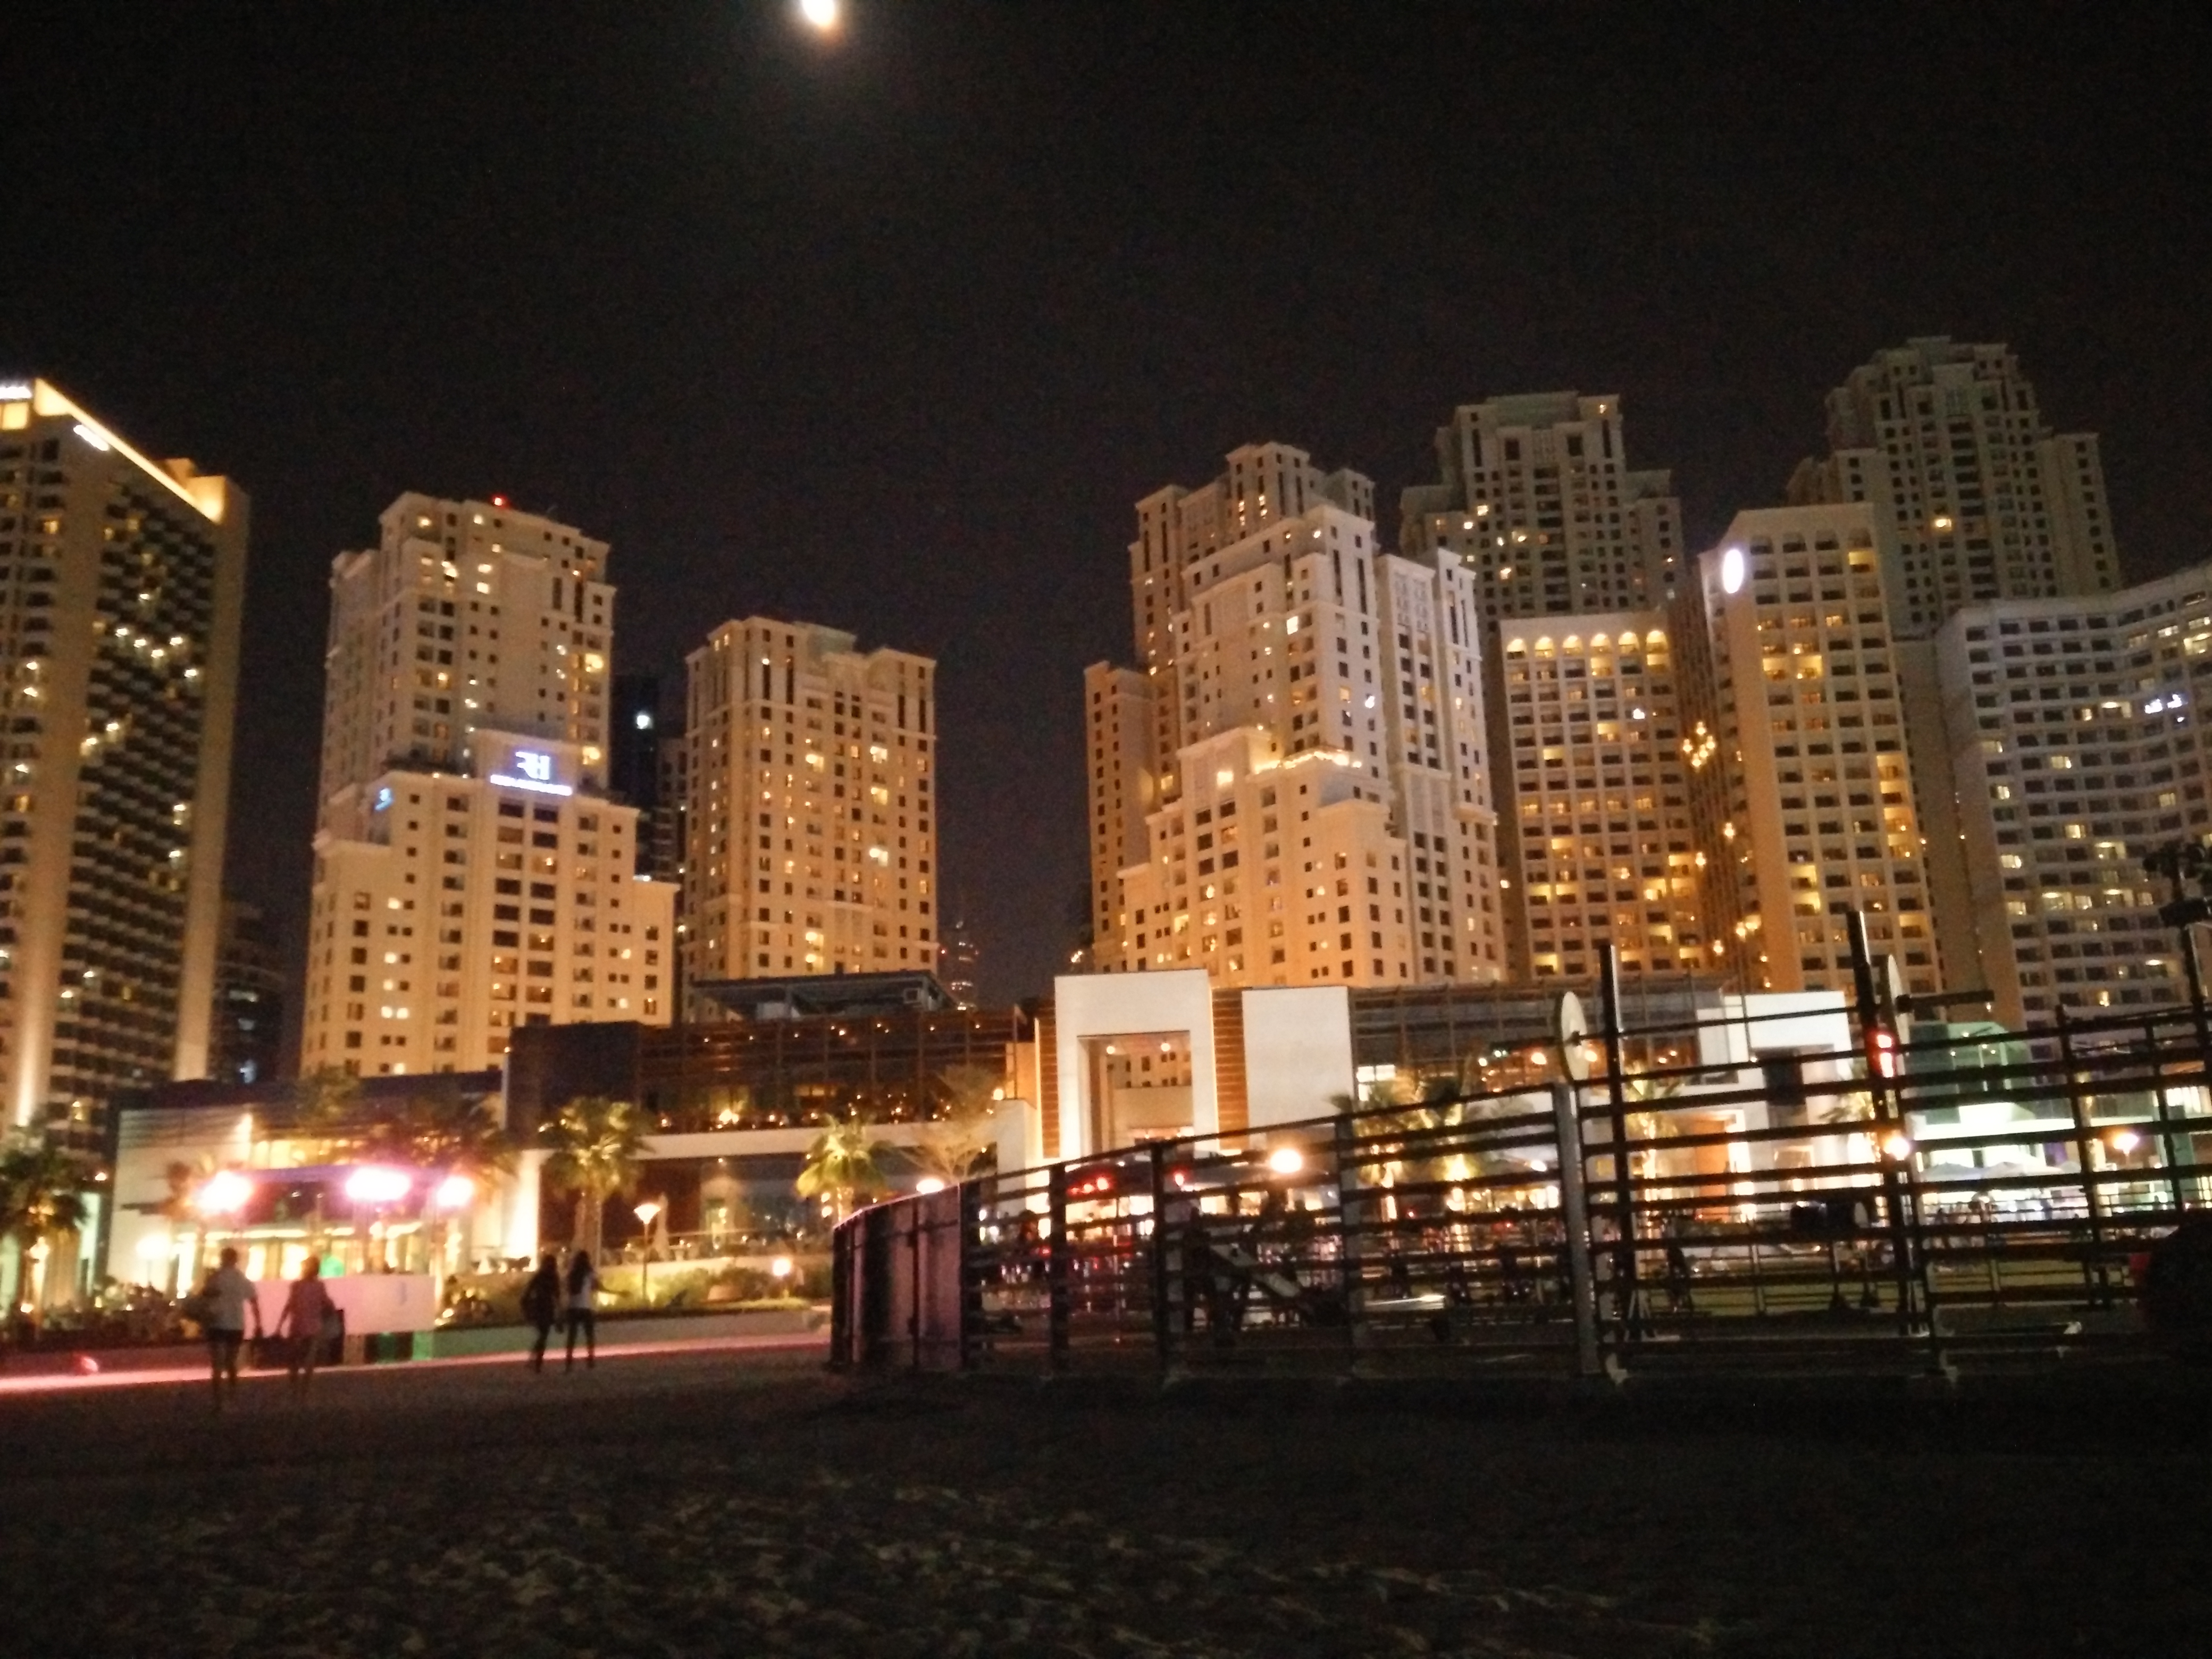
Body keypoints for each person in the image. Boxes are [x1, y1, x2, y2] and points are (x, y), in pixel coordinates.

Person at [199, 1247, 262, 1411]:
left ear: (223, 1258)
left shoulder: (215, 1278)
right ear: (236, 1260)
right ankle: (233, 1397)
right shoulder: (242, 1279)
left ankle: (218, 1401)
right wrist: (258, 1324)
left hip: (218, 1323)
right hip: (236, 1325)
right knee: (231, 1363)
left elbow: (205, 1296)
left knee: (217, 1365)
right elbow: (254, 1302)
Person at [273, 1256, 337, 1398]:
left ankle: (294, 1388)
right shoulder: (320, 1286)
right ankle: (305, 1390)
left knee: (294, 1359)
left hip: (298, 1326)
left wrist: (280, 1325)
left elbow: (289, 1305)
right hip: (314, 1327)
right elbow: (327, 1303)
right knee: (309, 1360)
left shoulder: (297, 1286)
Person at [521, 1253, 560, 1373]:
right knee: (544, 1336)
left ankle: (535, 1361)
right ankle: (537, 1362)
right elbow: (557, 1295)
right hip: (546, 1307)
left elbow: (528, 1292)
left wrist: (527, 1306)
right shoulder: (552, 1277)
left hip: (540, 1307)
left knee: (542, 1336)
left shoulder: (540, 1276)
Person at [563, 1250, 599, 1370]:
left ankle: (569, 1362)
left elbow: (567, 1289)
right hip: (585, 1307)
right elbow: (597, 1286)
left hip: (572, 1307)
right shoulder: (589, 1273)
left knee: (572, 1336)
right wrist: (618, 1293)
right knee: (589, 1336)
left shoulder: (572, 1274)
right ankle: (590, 1361)